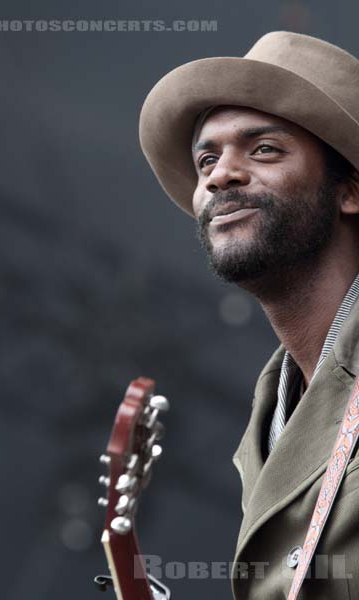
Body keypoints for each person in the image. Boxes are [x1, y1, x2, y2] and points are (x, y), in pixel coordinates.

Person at [138, 31, 359, 599]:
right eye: (206, 159)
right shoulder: (268, 421)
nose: (218, 175)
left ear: (350, 191)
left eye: (263, 150)